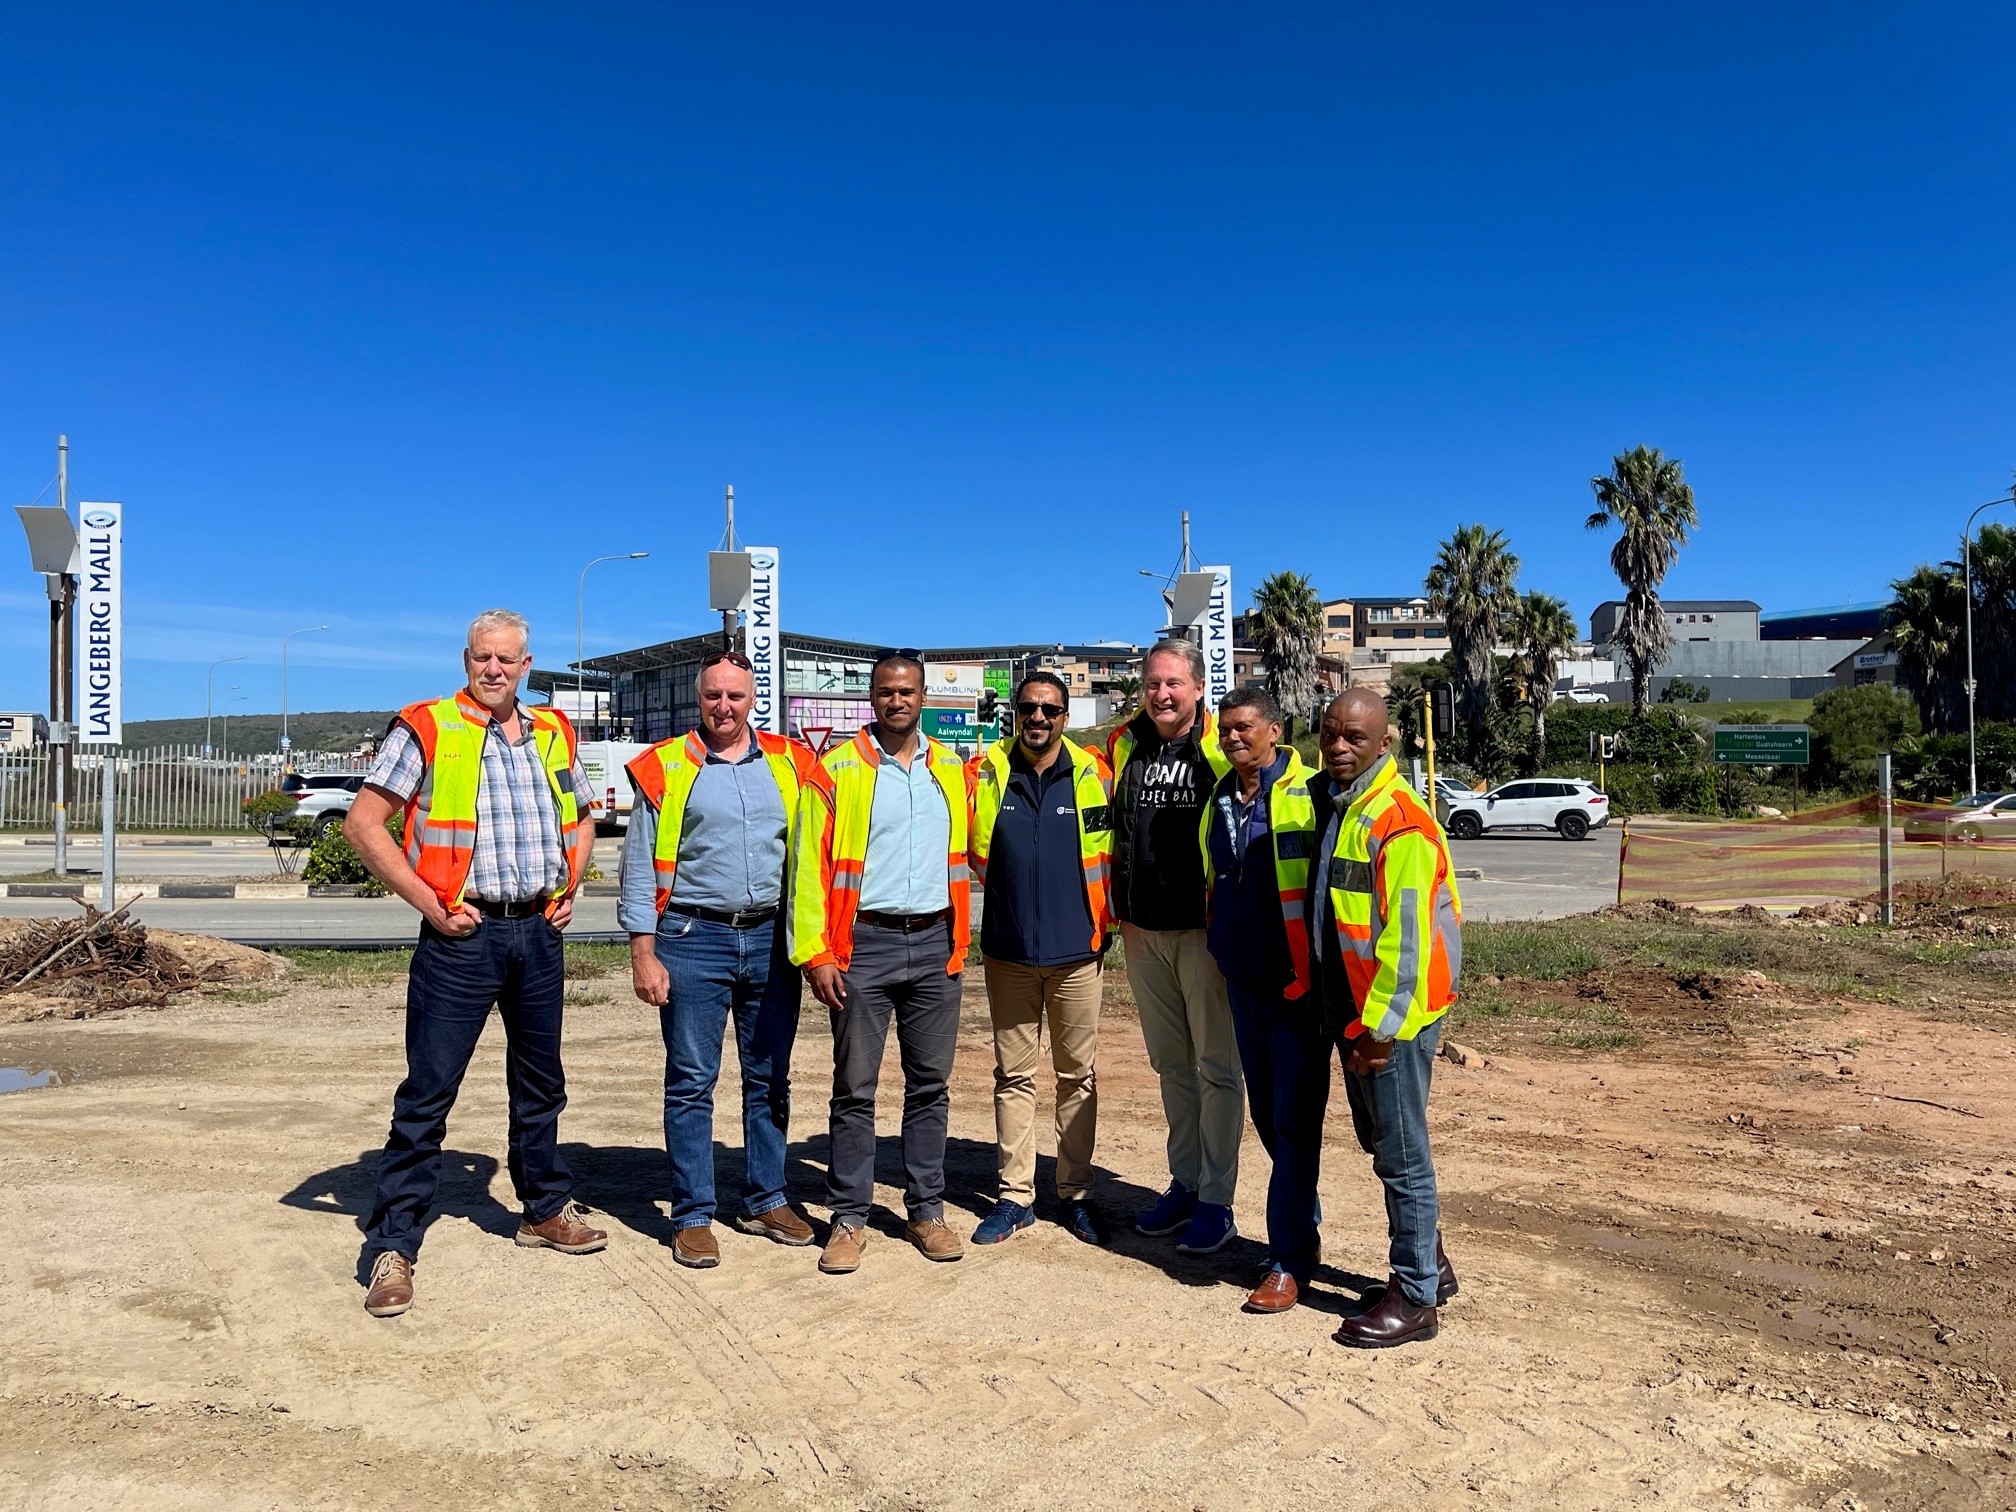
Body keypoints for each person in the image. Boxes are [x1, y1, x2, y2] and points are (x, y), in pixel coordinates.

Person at [345, 608, 606, 1319]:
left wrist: (570, 885)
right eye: (481, 658)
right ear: (467, 660)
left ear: (528, 665)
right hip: (462, 938)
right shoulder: (427, 726)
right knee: (428, 1093)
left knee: (541, 1084)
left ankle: (543, 1210)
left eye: (507, 660)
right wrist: (429, 905)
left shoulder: (552, 730)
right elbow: (363, 824)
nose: (494, 670)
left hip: (536, 935)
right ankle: (393, 1246)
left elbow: (581, 817)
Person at [621, 648, 821, 1269]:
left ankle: (766, 1198)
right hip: (692, 939)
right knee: (691, 1082)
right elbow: (636, 863)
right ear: (698, 698)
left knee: (769, 1078)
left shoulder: (792, 763)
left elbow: (817, 852)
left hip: (771, 942)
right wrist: (642, 951)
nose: (724, 707)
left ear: (754, 697)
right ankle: (693, 1215)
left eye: (736, 696)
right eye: (714, 696)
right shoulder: (666, 768)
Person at [788, 652, 974, 1274]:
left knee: (930, 1087)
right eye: (887, 692)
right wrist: (816, 953)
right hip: (863, 945)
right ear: (871, 698)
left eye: (909, 692)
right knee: (855, 1089)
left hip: (934, 945)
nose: (898, 702)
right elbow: (808, 871)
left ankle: (927, 1210)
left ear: (924, 697)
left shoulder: (950, 769)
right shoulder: (836, 769)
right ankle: (848, 1218)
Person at [1310, 689, 1463, 1349]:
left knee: (1403, 1158)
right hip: (1358, 1013)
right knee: (1384, 1146)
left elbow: (1405, 943)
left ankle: (1415, 1298)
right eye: (1331, 735)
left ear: (1383, 743)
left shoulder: (1397, 821)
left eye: (1355, 738)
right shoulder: (1349, 807)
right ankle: (1431, 1268)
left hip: (1390, 1020)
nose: (1340, 747)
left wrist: (1379, 1032)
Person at [966, 671, 1115, 1247]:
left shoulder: (1094, 775)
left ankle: (1076, 1194)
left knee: (1078, 1076)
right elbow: (971, 854)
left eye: (1050, 710)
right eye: (1028, 708)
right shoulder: (985, 774)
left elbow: (1112, 854)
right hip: (1007, 954)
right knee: (1014, 1076)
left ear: (1065, 715)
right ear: (1014, 712)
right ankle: (1015, 1197)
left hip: (1078, 953)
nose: (1038, 718)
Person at [1105, 638, 1239, 1254]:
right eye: (1153, 683)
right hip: (1142, 930)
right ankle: (1185, 1182)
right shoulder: (1123, 745)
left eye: (1174, 684)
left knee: (1217, 1068)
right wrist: (1118, 914)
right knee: (1171, 1066)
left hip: (1203, 933)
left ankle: (1217, 1198)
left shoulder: (1220, 747)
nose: (1162, 694)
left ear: (1197, 688)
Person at [1197, 686, 1324, 1315]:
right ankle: (1302, 1229)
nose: (1232, 739)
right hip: (1244, 982)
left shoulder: (1309, 794)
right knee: (1271, 1120)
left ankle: (1289, 1258)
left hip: (1298, 987)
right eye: (1225, 731)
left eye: (1244, 728)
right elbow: (1215, 877)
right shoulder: (1221, 796)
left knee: (1297, 1122)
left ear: (1274, 730)